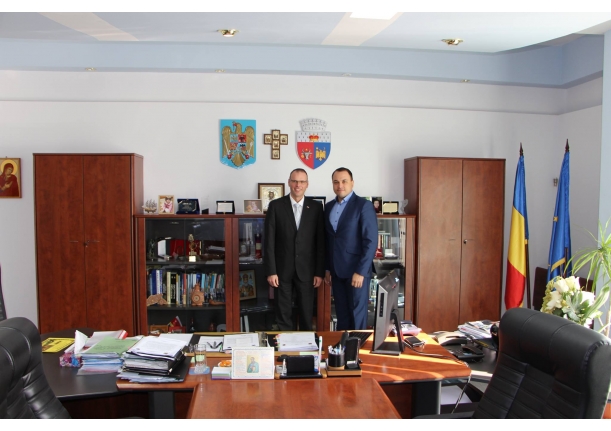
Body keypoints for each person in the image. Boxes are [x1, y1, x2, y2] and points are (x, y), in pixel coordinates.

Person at [264, 168, 325, 331]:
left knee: (306, 314)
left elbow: (320, 243)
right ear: (289, 182)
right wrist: (271, 271)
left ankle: (306, 345)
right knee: (283, 315)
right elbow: (269, 241)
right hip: (281, 271)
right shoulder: (276, 206)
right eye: (295, 181)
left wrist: (319, 272)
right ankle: (284, 344)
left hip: (307, 271)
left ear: (307, 184)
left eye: (302, 181)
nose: (298, 185)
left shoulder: (316, 207)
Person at [325, 167, 378, 330]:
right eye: (336, 182)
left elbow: (370, 241)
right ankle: (343, 345)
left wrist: (361, 271)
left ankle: (358, 346)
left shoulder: (363, 205)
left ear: (352, 183)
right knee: (342, 316)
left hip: (356, 272)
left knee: (357, 317)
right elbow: (328, 241)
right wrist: (327, 268)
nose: (340, 185)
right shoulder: (328, 207)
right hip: (336, 272)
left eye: (344, 181)